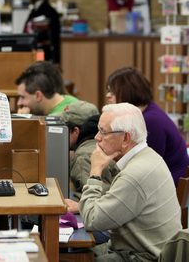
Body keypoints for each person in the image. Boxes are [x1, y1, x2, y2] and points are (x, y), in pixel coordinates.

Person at [69, 103, 181, 261]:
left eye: (103, 132)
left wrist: (95, 171)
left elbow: (92, 220)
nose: (96, 137)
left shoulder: (135, 174)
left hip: (143, 257)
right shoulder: (148, 155)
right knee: (77, 251)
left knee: (70, 254)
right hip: (144, 251)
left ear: (126, 138)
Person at [106, 66, 189, 185]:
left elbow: (146, 168)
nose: (107, 95)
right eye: (108, 91)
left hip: (165, 187)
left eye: (112, 91)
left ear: (129, 91)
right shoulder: (147, 111)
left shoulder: (150, 121)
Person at [56, 101, 120, 202]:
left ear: (76, 131)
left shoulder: (83, 156)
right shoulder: (103, 146)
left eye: (64, 129)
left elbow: (98, 199)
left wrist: (77, 206)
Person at [24, 0, 61, 64]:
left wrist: (57, 60)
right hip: (39, 51)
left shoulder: (47, 11)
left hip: (42, 52)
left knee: (40, 71)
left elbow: (54, 38)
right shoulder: (36, 9)